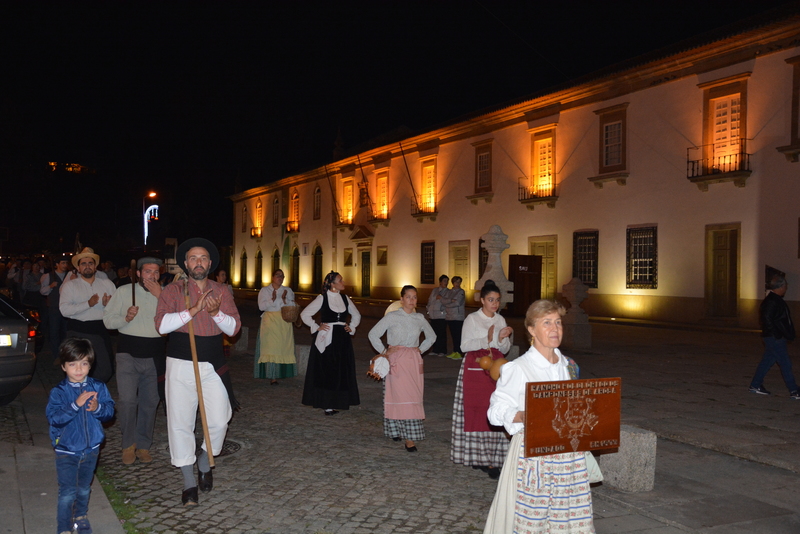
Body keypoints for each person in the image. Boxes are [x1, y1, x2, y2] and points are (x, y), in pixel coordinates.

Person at [483, 299, 594, 533]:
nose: (555, 329)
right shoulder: (518, 368)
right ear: (531, 330)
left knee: (569, 521)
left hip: (569, 459)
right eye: (547, 323)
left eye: (558, 322)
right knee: (534, 522)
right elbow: (494, 412)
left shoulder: (569, 366)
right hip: (535, 460)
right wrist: (522, 415)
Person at [155, 237, 241, 506]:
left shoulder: (222, 290)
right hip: (180, 362)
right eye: (193, 258)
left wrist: (215, 313)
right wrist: (192, 310)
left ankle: (205, 457)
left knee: (219, 418)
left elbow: (234, 329)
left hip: (212, 363)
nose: (198, 262)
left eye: (203, 258)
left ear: (211, 263)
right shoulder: (172, 291)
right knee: (180, 423)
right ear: (185, 263)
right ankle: (188, 483)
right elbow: (161, 326)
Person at [46, 338, 115, 534]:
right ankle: (64, 526)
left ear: (90, 365)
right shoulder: (59, 392)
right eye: (73, 364)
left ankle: (81, 516)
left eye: (84, 363)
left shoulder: (98, 387)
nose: (79, 369)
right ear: (63, 366)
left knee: (84, 487)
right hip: (66, 449)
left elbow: (109, 411)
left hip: (91, 448)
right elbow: (54, 418)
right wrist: (75, 405)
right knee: (67, 491)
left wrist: (98, 407)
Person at [103, 257, 166, 465]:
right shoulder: (123, 292)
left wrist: (161, 297)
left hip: (156, 354)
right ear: (138, 273)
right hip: (127, 353)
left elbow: (178, 321)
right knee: (128, 401)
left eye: (156, 272)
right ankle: (128, 445)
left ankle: (144, 445)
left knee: (150, 403)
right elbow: (108, 320)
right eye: (148, 272)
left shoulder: (166, 293)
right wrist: (126, 318)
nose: (152, 276)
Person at [450, 280, 512, 479]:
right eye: (491, 300)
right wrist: (486, 338)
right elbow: (464, 345)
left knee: (494, 408)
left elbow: (505, 349)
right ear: (482, 300)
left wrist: (502, 339)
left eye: (497, 300)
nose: (495, 304)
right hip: (476, 366)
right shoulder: (472, 319)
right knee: (477, 411)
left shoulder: (500, 319)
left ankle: (494, 458)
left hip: (495, 369)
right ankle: (479, 457)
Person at [368, 285, 436, 452]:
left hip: (412, 361)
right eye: (408, 297)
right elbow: (373, 334)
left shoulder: (419, 318)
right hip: (396, 360)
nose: (412, 300)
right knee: (397, 395)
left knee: (412, 396)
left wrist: (420, 349)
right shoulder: (392, 316)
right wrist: (384, 351)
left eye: (414, 297)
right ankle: (399, 432)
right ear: (402, 299)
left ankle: (410, 436)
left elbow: (432, 336)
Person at [301, 271, 361, 415]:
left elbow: (357, 314)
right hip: (327, 339)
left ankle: (338, 401)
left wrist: (351, 327)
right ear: (332, 284)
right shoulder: (322, 298)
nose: (343, 283)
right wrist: (316, 327)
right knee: (327, 370)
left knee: (341, 369)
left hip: (342, 339)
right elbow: (305, 314)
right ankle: (327, 404)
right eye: (340, 281)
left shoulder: (345, 298)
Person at [59, 248, 117, 382]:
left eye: (90, 263)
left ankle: (94, 394)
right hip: (77, 330)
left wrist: (108, 305)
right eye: (83, 264)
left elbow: (117, 308)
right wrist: (88, 304)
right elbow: (64, 310)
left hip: (99, 330)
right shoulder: (70, 286)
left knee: (105, 370)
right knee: (77, 370)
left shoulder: (106, 284)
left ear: (95, 267)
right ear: (78, 268)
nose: (87, 266)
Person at [749, 274, 800, 399]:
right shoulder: (772, 301)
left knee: (767, 361)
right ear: (781, 287)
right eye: (785, 286)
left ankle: (755, 385)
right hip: (774, 337)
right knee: (785, 363)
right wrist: (776, 334)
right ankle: (794, 390)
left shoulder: (774, 299)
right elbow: (767, 319)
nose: (786, 288)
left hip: (773, 336)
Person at [255, 269, 297, 385]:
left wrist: (284, 300)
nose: (280, 278)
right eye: (278, 275)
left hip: (283, 322)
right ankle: (272, 375)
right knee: (271, 348)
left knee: (282, 348)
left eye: (282, 276)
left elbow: (293, 305)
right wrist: (272, 299)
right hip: (270, 322)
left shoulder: (287, 290)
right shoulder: (265, 290)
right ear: (272, 277)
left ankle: (281, 373)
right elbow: (261, 307)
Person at [41, 256, 72, 357]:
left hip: (67, 307)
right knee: (54, 331)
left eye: (66, 263)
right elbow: (42, 291)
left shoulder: (70, 275)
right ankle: (56, 354)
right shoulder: (48, 276)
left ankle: (64, 352)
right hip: (54, 308)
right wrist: (50, 286)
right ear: (57, 264)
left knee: (65, 331)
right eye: (62, 263)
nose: (65, 265)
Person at [442, 275, 466, 359]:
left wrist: (448, 304)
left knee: (458, 335)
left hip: (458, 317)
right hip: (449, 317)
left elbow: (458, 303)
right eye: (456, 282)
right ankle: (454, 351)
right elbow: (443, 301)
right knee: (452, 335)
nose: (457, 284)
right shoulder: (449, 292)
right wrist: (450, 301)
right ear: (453, 283)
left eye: (459, 282)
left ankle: (459, 352)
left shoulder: (461, 292)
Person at [426, 274, 449, 356]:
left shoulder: (448, 291)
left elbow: (447, 302)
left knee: (441, 333)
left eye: (447, 281)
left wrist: (441, 298)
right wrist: (428, 308)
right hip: (433, 315)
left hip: (441, 315)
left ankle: (442, 350)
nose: (446, 283)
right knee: (434, 333)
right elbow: (430, 300)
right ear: (440, 282)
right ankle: (435, 349)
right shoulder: (435, 290)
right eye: (444, 281)